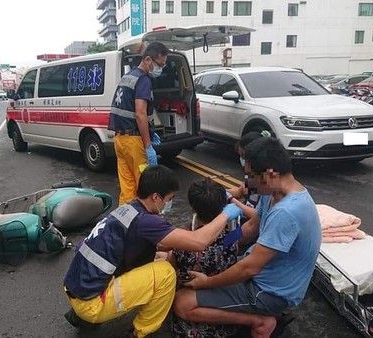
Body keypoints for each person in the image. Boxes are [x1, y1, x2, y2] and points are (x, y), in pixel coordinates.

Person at [62, 165, 244, 338]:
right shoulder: (146, 222)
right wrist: (226, 214)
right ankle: (140, 332)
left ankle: (83, 317)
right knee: (165, 273)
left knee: (154, 258)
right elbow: (199, 242)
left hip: (76, 288)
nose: (170, 203)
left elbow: (158, 244)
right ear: (156, 197)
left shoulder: (128, 209)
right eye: (170, 198)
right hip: (91, 303)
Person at [172, 137, 322, 338]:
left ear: (269, 174)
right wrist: (219, 243)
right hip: (260, 276)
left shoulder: (287, 212)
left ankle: (260, 321)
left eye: (251, 176)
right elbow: (251, 227)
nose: (248, 183)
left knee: (182, 302)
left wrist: (207, 282)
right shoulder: (273, 192)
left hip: (268, 293)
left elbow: (250, 266)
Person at [170, 178, 240, 337]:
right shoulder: (233, 235)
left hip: (187, 318)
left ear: (193, 206)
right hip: (221, 303)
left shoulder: (184, 240)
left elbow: (173, 272)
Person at [108, 42, 170, 205]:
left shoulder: (128, 77)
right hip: (135, 144)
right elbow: (140, 113)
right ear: (148, 59)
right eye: (160, 64)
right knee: (145, 188)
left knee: (128, 188)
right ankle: (146, 226)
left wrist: (149, 130)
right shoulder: (144, 80)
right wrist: (148, 144)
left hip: (120, 141)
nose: (161, 69)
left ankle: (125, 223)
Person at [226, 130, 272, 220]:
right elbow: (240, 192)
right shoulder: (253, 176)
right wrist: (219, 191)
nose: (243, 161)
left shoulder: (270, 183)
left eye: (244, 157)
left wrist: (231, 200)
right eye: (241, 157)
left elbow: (258, 216)